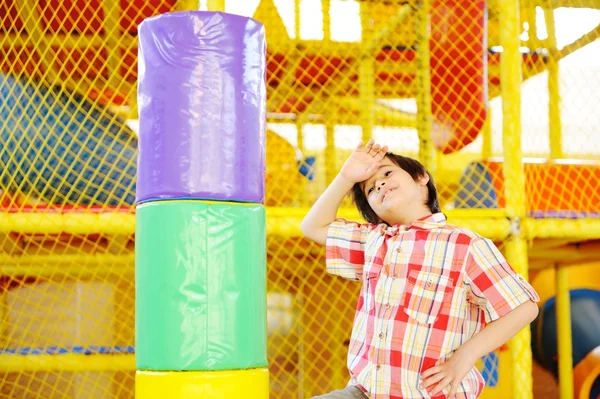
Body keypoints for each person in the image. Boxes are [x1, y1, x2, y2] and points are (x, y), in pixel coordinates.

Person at [301, 139, 540, 399]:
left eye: (387, 173)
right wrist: (346, 177)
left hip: (429, 394)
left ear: (421, 178)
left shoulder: (463, 244)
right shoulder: (373, 241)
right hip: (365, 392)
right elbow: (313, 227)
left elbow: (523, 307)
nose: (379, 183)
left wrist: (466, 356)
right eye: (370, 189)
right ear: (373, 212)